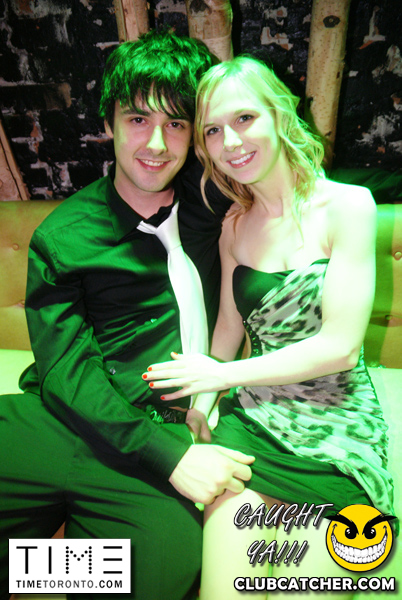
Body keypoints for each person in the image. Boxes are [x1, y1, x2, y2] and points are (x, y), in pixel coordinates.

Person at [0, 32, 255, 600]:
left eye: (176, 123)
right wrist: (172, 459)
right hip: (59, 418)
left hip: (159, 430)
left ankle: (65, 574)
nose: (156, 144)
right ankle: (38, 573)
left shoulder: (221, 206)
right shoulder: (63, 237)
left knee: (158, 578)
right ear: (109, 124)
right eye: (138, 119)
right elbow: (66, 373)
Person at [144, 56, 396, 599]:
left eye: (244, 118)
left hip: (336, 424)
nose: (230, 142)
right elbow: (228, 328)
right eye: (213, 130)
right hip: (255, 419)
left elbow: (340, 348)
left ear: (279, 114)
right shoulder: (233, 225)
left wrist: (220, 376)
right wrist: (201, 408)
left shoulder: (349, 206)